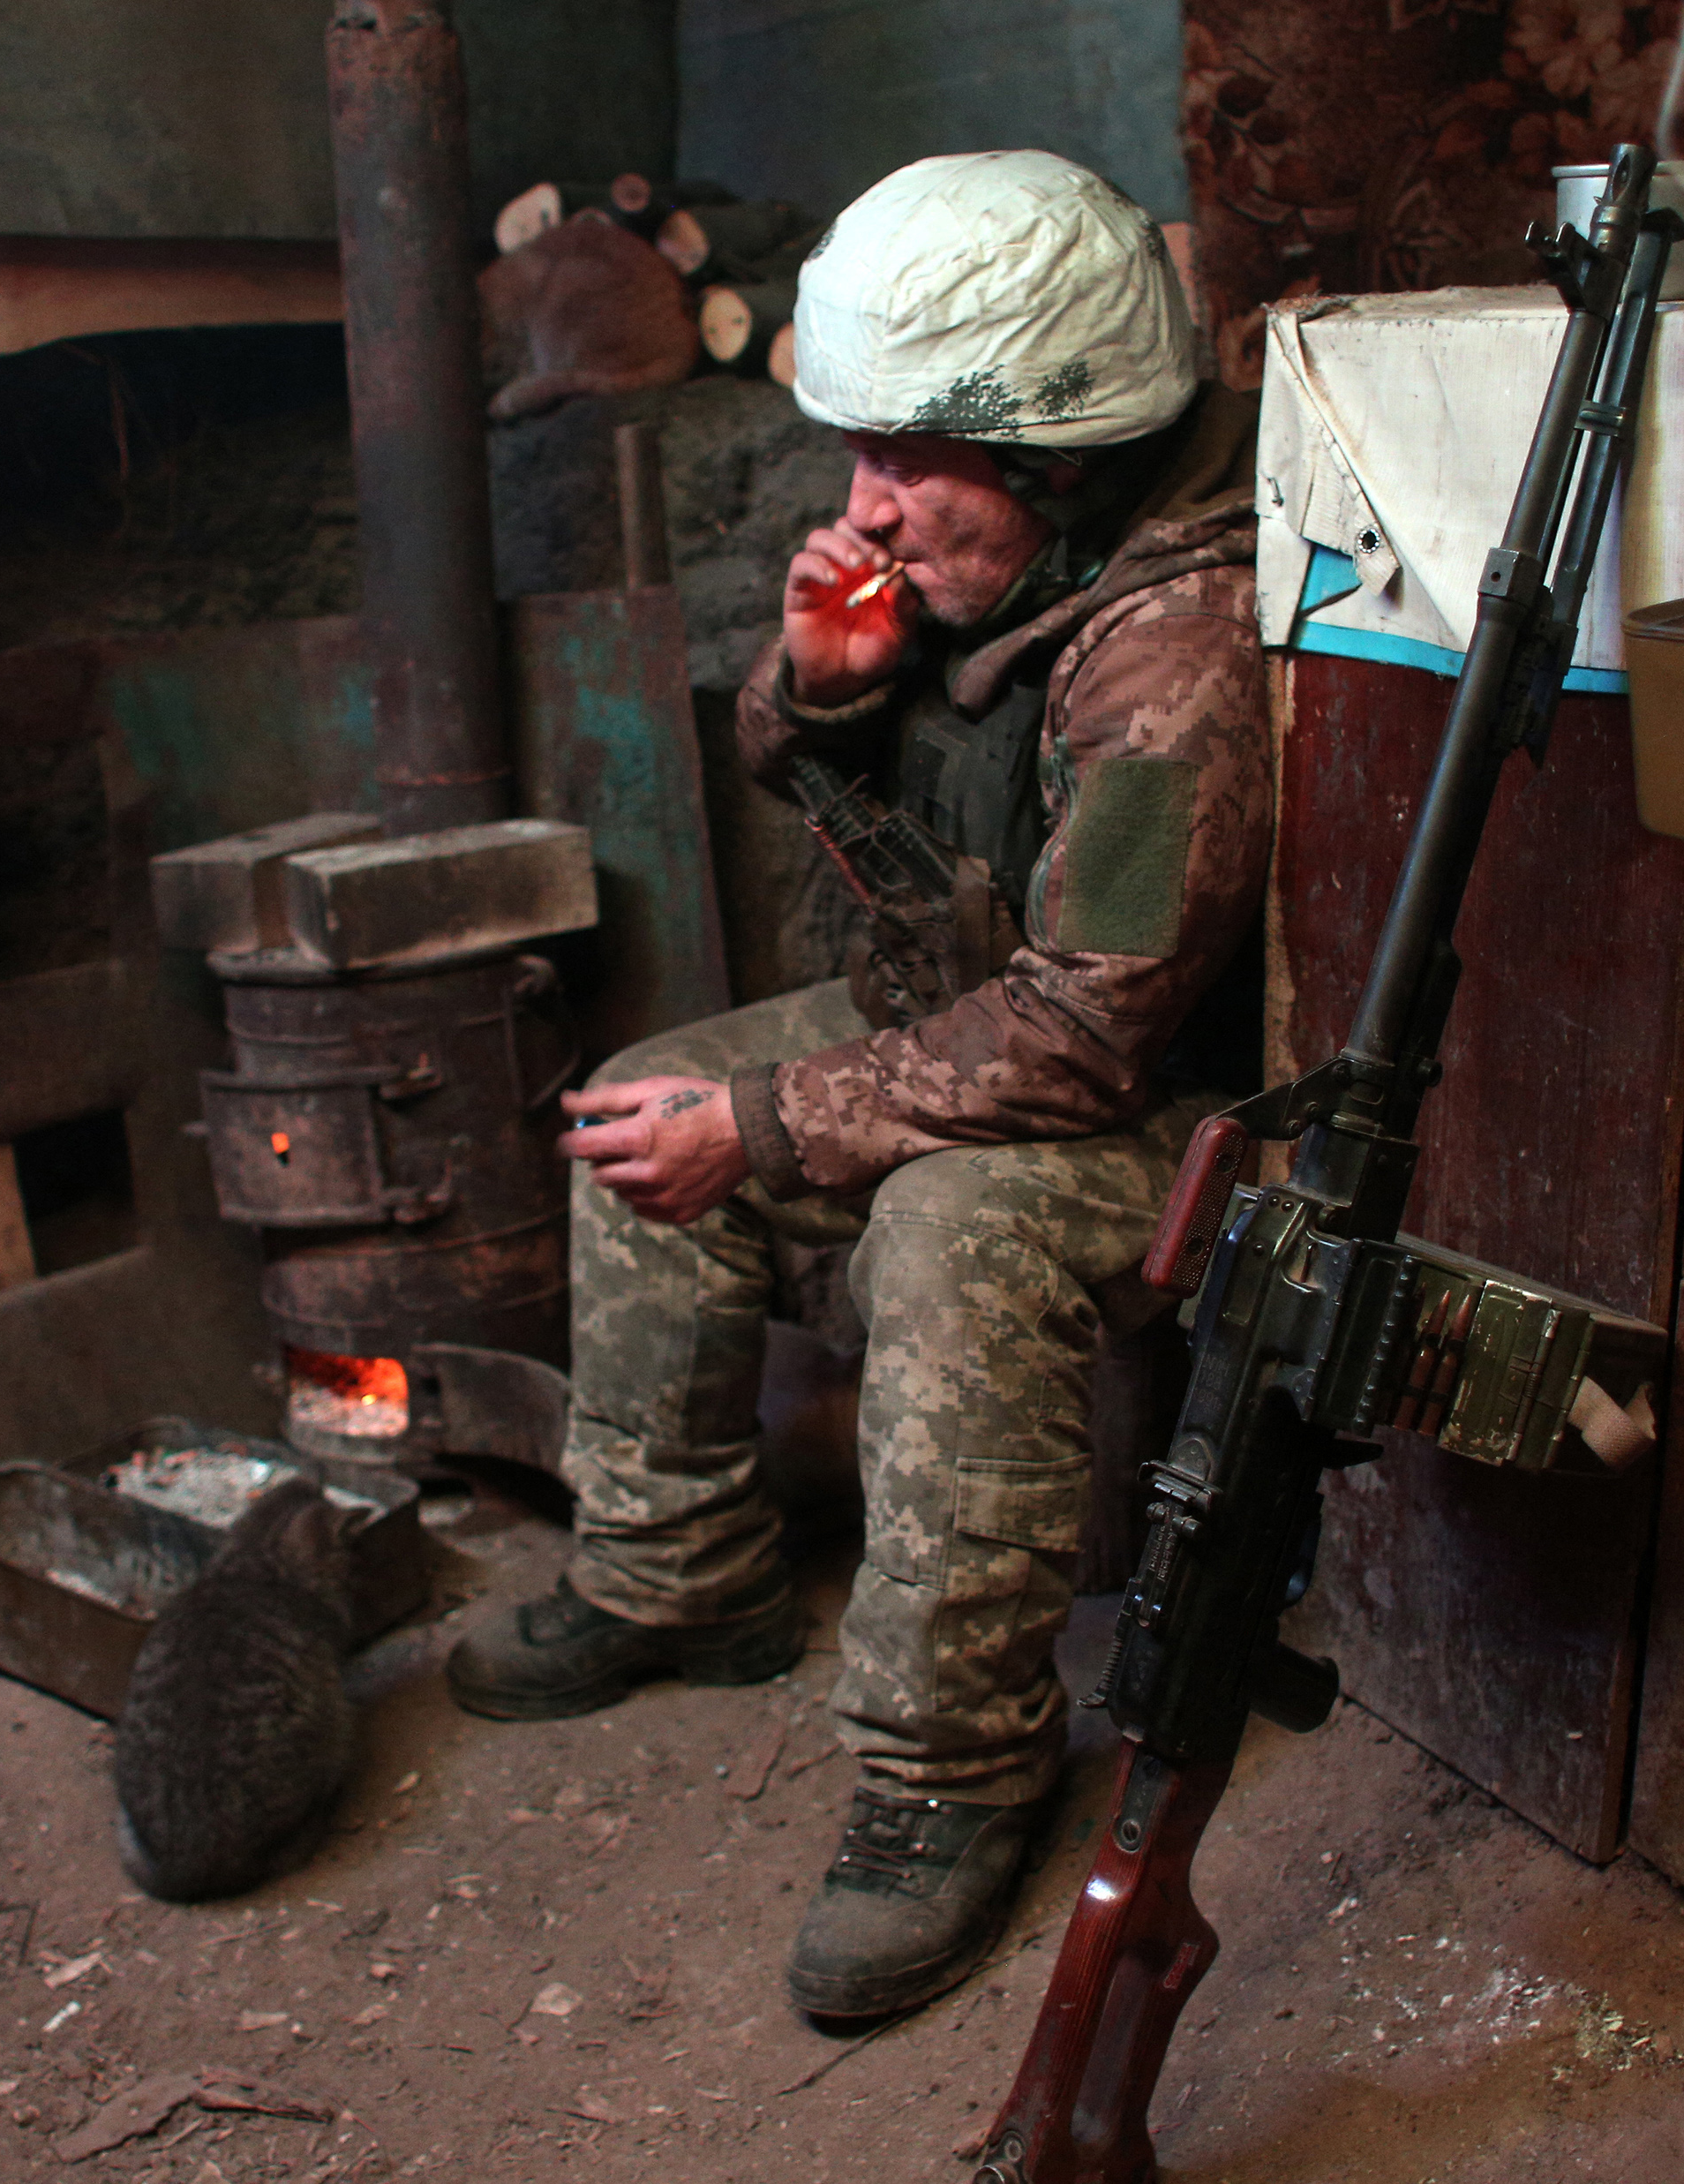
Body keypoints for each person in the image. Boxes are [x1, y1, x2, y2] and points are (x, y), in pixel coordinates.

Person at [444, 150, 1273, 2022]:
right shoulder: (983, 564)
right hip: (967, 1022)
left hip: (1153, 1103)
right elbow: (790, 748)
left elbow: (1084, 1033)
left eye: (903, 463)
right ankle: (678, 1570)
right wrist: (818, 686)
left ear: (1057, 457)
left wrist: (774, 1127)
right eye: (854, 455)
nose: (861, 505)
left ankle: (950, 1771)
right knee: (640, 1096)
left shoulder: (1170, 668)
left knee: (951, 1229)